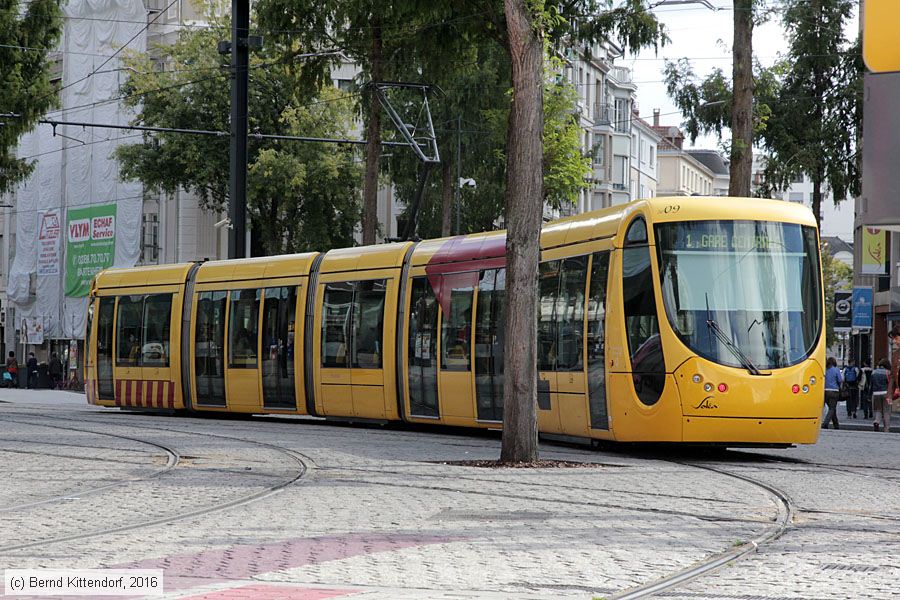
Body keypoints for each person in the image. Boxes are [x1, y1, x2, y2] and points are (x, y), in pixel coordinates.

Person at [885, 325, 900, 434]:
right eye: (893, 339)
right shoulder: (896, 354)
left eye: (896, 338)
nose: (895, 341)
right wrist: (889, 394)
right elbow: (892, 376)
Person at [871, 358, 890, 432]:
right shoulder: (888, 372)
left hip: (876, 393)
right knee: (886, 411)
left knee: (878, 410)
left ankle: (876, 421)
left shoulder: (874, 372)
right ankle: (886, 428)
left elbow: (871, 384)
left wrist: (870, 394)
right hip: (885, 393)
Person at [823, 356, 842, 429]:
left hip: (825, 391)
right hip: (834, 391)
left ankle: (836, 425)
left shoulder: (825, 370)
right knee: (832, 408)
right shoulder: (836, 369)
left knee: (832, 408)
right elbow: (840, 380)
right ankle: (825, 423)